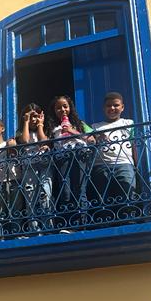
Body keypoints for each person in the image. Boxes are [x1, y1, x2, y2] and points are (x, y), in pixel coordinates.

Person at [90, 92, 138, 222]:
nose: (112, 108)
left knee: (127, 191)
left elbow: (134, 145)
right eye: (108, 105)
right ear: (104, 108)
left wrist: (136, 165)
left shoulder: (128, 123)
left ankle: (129, 221)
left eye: (116, 105)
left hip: (124, 164)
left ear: (122, 107)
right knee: (103, 197)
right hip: (101, 166)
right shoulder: (95, 126)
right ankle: (106, 222)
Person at [49, 95, 94, 229]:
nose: (62, 110)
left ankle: (82, 224)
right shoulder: (52, 127)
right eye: (58, 108)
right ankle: (69, 225)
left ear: (70, 108)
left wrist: (71, 131)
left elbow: (92, 140)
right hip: (62, 158)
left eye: (65, 106)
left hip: (80, 155)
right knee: (65, 191)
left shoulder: (80, 124)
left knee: (80, 189)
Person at [14, 103, 53, 233]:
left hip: (44, 164)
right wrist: (25, 122)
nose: (33, 120)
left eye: (36, 116)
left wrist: (41, 125)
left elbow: (43, 141)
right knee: (30, 196)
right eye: (30, 117)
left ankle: (48, 227)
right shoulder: (21, 132)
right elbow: (25, 141)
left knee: (45, 194)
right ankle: (34, 229)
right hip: (28, 166)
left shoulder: (45, 130)